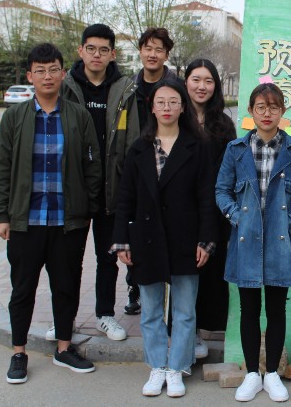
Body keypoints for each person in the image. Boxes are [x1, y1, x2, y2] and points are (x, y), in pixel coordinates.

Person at [0, 43, 100, 384]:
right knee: (22, 289)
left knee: (66, 286)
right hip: (26, 221)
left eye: (53, 69)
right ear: (30, 76)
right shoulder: (15, 117)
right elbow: (0, 166)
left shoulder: (77, 115)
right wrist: (2, 214)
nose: (47, 76)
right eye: (40, 71)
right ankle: (18, 352)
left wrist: (87, 209)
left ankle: (64, 348)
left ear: (63, 73)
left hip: (68, 222)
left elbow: (92, 165)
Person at [112, 80, 218, 397]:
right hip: (146, 239)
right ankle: (157, 365)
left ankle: (177, 367)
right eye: (161, 102)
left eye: (174, 101)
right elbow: (125, 198)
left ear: (183, 107)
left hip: (186, 238)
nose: (167, 107)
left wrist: (206, 239)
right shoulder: (139, 149)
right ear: (153, 108)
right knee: (151, 311)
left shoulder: (197, 147)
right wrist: (122, 240)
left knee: (185, 311)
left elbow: (206, 198)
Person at [215, 83, 291, 403]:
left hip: (279, 241)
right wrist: (237, 217)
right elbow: (221, 190)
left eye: (273, 107)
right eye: (261, 107)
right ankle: (251, 374)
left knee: (276, 308)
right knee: (248, 308)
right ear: (251, 111)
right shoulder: (236, 149)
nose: (267, 113)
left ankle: (271, 373)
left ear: (282, 111)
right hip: (245, 240)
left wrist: (290, 220)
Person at [59, 23, 139, 341]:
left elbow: (132, 141)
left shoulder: (123, 89)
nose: (96, 55)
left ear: (112, 54)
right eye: (91, 48)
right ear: (80, 50)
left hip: (111, 189)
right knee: (69, 260)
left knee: (107, 259)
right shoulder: (66, 87)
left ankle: (105, 315)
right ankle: (64, 320)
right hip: (76, 189)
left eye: (103, 50)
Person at [184, 59, 237, 360]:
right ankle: (187, 332)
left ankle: (205, 327)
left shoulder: (223, 124)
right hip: (181, 207)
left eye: (208, 81)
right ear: (186, 82)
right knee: (184, 271)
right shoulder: (176, 118)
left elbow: (230, 167)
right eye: (196, 79)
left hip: (215, 207)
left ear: (215, 86)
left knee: (211, 269)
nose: (201, 86)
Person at [133, 27, 179, 128]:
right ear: (140, 52)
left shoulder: (179, 87)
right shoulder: (129, 87)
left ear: (166, 55)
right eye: (148, 49)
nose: (152, 55)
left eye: (158, 50)